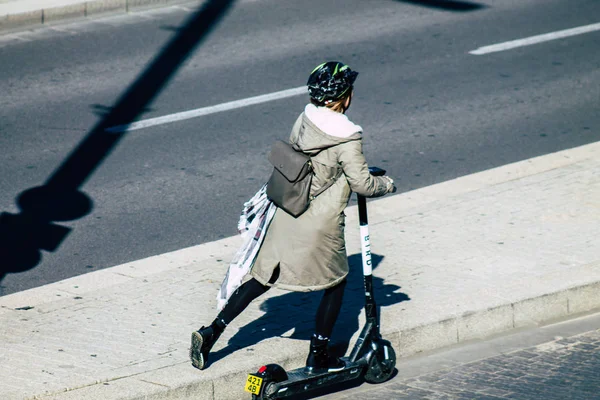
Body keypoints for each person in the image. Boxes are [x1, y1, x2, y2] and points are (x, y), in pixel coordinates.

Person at [190, 61, 396, 373]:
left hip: (286, 210)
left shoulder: (305, 119)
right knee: (337, 282)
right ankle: (318, 354)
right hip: (319, 223)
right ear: (346, 97)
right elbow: (362, 183)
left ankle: (211, 332)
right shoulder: (348, 137)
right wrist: (387, 184)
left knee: (261, 277)